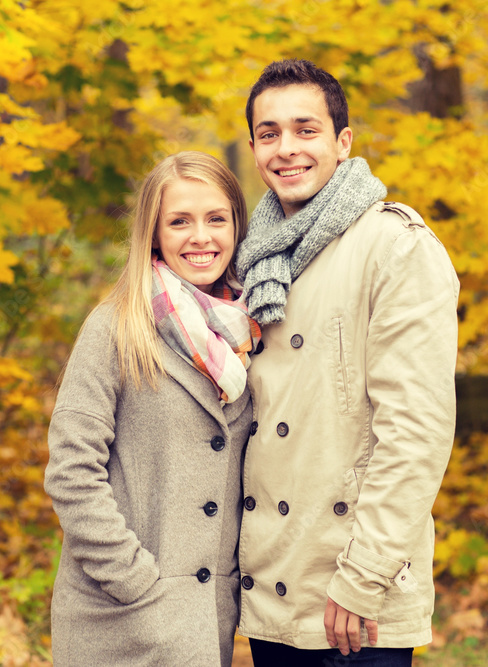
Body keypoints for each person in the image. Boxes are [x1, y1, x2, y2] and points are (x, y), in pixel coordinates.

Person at [235, 59, 460, 666]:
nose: (286, 148)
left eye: (305, 130)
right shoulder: (255, 258)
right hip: (271, 587)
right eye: (269, 133)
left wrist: (363, 577)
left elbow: (415, 431)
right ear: (254, 149)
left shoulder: (395, 245)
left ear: (343, 142)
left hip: (353, 598)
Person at [44, 151, 260, 666]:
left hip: (207, 619)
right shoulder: (115, 327)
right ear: (154, 234)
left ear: (237, 226)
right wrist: (136, 581)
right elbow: (72, 472)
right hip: (120, 618)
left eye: (216, 219)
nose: (201, 237)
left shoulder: (252, 331)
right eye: (180, 221)